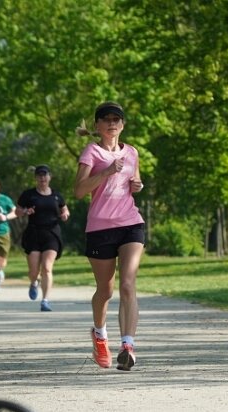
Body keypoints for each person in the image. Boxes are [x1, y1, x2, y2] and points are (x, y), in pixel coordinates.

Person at [74, 101, 145, 371]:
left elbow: (133, 182)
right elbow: (79, 191)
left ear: (123, 125)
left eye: (117, 119)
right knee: (105, 290)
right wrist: (105, 172)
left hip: (130, 223)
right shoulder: (91, 152)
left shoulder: (132, 152)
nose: (112, 123)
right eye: (106, 119)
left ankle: (128, 345)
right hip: (101, 227)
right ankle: (100, 334)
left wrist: (136, 184)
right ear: (97, 126)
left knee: (128, 283)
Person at [16, 164, 70, 312]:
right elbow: (17, 211)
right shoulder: (28, 194)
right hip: (33, 233)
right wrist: (26, 211)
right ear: (35, 178)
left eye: (45, 175)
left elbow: (64, 208)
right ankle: (34, 282)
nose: (42, 178)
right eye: (39, 175)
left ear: (49, 177)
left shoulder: (57, 195)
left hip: (52, 234)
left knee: (47, 267)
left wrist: (65, 214)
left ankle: (45, 300)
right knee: (34, 271)